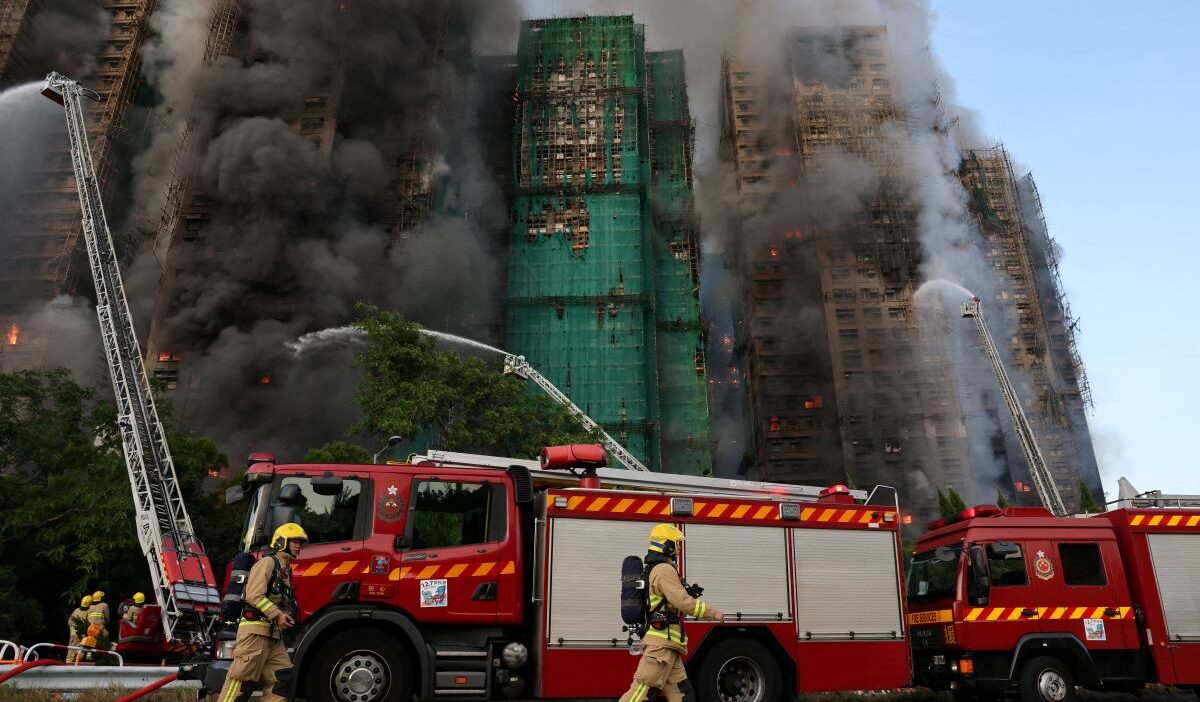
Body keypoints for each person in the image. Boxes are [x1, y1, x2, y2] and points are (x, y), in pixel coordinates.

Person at [619, 524, 724, 702]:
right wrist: (712, 613)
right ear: (666, 545)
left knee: (682, 695)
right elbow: (682, 601)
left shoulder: (659, 569)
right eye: (676, 544)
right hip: (661, 646)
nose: (678, 548)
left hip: (669, 646)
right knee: (641, 693)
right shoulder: (663, 570)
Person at [215, 523, 306, 702]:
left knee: (282, 677)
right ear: (281, 542)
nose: (298, 546)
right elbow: (254, 595)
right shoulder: (267, 563)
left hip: (273, 635)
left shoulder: (285, 570)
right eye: (294, 541)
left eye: (300, 542)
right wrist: (278, 615)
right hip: (255, 632)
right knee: (242, 680)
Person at [66, 595, 91, 663]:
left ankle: (69, 661)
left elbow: (69, 621)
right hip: (81, 633)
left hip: (73, 633)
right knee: (80, 647)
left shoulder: (76, 610)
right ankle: (72, 662)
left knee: (72, 647)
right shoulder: (89, 611)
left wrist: (73, 628)